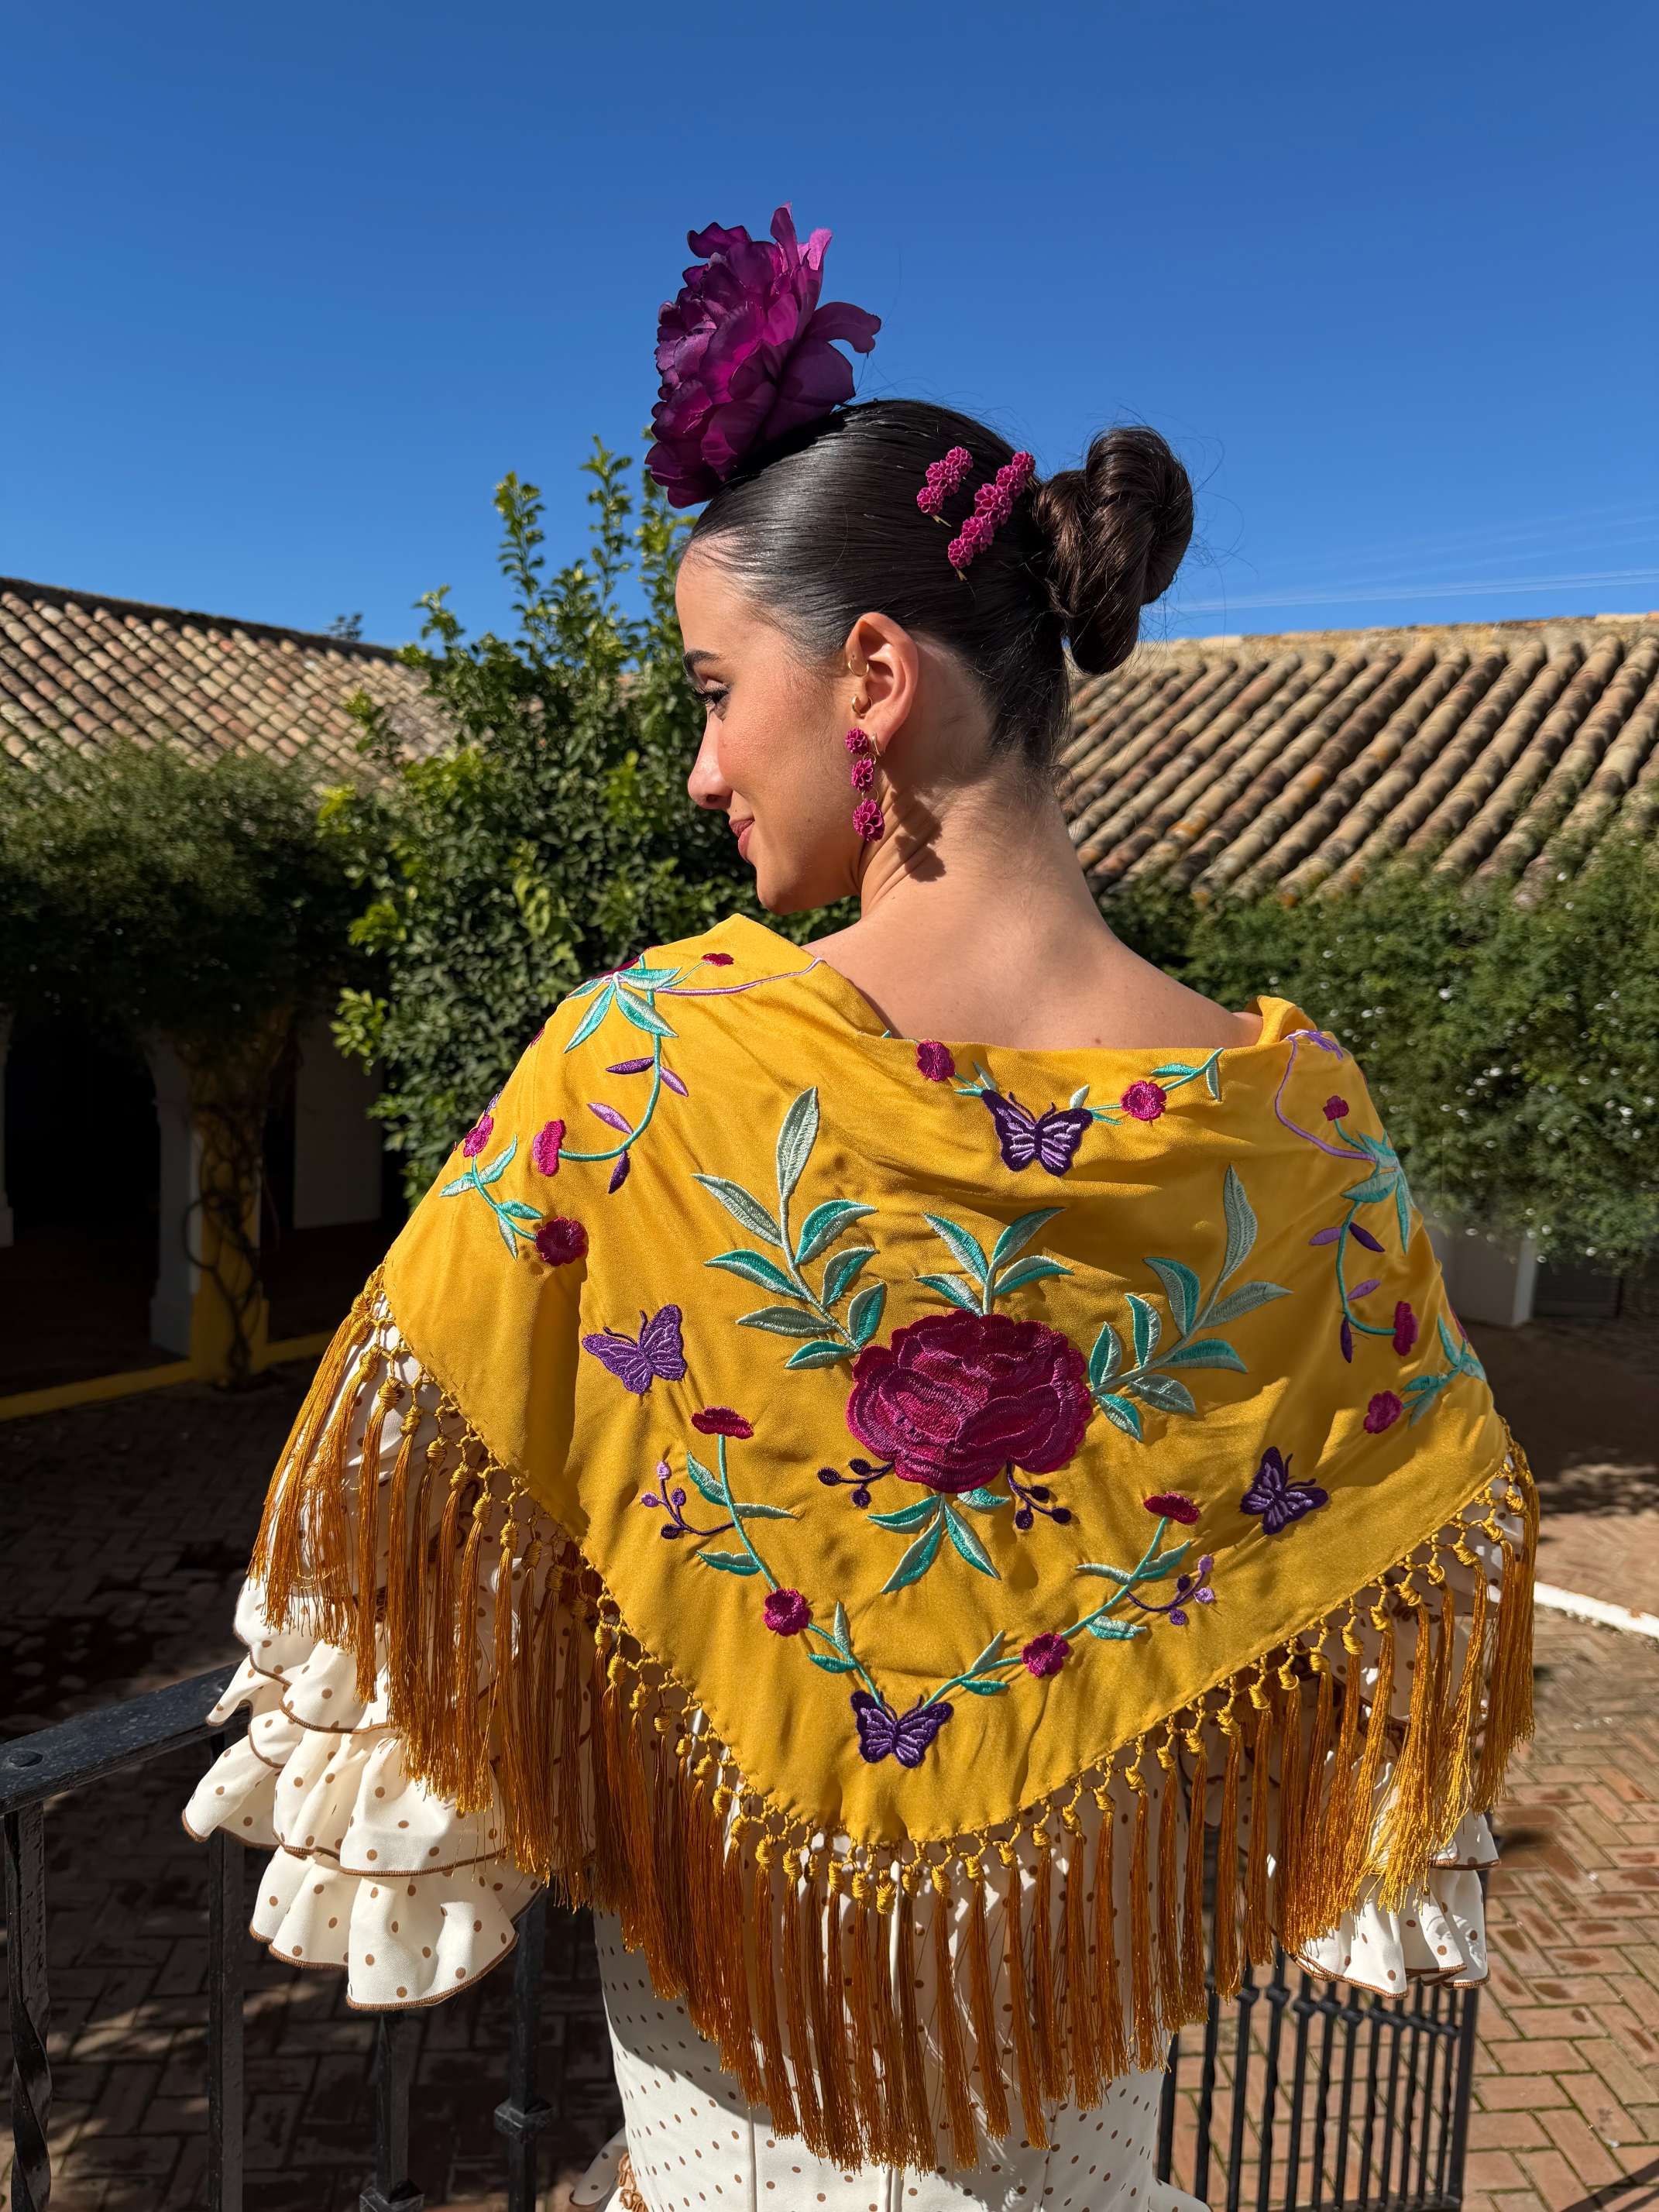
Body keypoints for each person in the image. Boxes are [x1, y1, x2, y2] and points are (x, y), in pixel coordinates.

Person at [184, 206, 1535, 2212]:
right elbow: (1397, 1543)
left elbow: (430, 1540)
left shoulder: (641, 1073)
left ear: (874, 678)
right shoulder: (1299, 1127)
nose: (703, 767)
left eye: (716, 689)